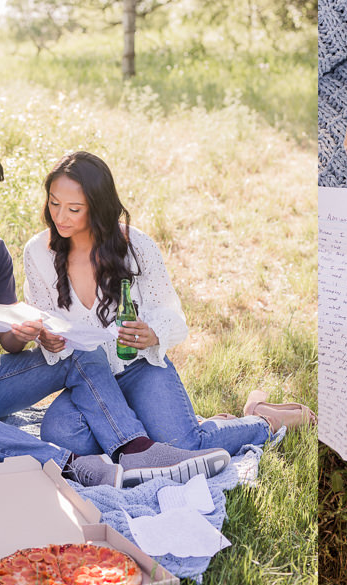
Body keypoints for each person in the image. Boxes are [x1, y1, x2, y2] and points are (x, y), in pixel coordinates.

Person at [0, 140, 229, 489]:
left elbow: (8, 342)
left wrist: (25, 330)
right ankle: (65, 464)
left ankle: (134, 450)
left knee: (83, 348)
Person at [23, 151, 315, 463]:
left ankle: (262, 420)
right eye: (54, 203)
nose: (60, 216)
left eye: (74, 209)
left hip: (139, 369)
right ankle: (158, 427)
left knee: (186, 447)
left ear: (97, 208)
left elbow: (172, 315)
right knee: (61, 436)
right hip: (90, 383)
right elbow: (44, 321)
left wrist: (152, 333)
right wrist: (47, 339)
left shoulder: (136, 246)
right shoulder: (37, 253)